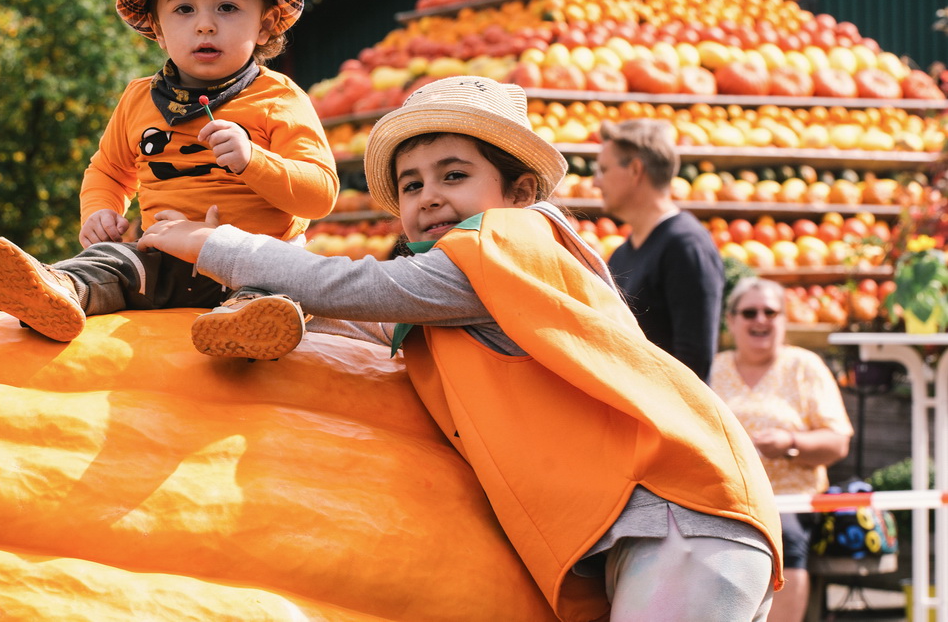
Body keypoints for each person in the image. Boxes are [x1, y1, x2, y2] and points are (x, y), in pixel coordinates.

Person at [137, 76, 783, 621]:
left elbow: (361, 288)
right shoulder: (463, 295)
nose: (430, 196)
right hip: (669, 522)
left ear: (520, 192)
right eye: (412, 185)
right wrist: (258, 298)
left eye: (454, 175)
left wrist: (215, 248)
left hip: (680, 515)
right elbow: (368, 326)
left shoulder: (507, 243)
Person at [0, 0, 337, 359]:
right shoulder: (140, 99)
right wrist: (99, 212)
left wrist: (252, 160)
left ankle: (246, 326)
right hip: (163, 257)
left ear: (264, 25)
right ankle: (59, 290)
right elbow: (107, 170)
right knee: (112, 264)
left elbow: (319, 195)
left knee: (280, 286)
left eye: (227, 6)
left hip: (254, 260)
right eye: (183, 9)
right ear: (158, 29)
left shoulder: (279, 98)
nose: (205, 23)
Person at [711, 277, 854, 622]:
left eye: (770, 312)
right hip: (725, 495)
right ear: (731, 321)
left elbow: (838, 441)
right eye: (749, 312)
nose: (760, 319)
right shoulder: (714, 368)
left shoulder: (805, 367)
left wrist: (790, 444)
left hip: (789, 496)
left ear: (784, 320)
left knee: (783, 534)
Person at [594, 118, 724, 381]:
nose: (596, 182)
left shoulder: (686, 246)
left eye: (603, 170)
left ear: (635, 170)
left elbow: (693, 365)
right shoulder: (622, 253)